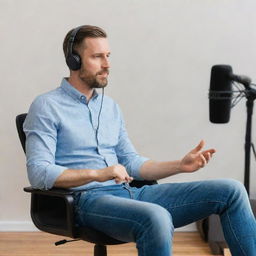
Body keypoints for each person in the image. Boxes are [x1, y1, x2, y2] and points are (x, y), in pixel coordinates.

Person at [23, 25, 256, 256]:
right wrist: (99, 173)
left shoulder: (110, 107)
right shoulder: (46, 106)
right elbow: (39, 172)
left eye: (108, 56)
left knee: (232, 191)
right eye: (97, 56)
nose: (107, 64)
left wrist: (179, 166)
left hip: (130, 193)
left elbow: (132, 162)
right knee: (156, 216)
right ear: (73, 60)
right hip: (86, 201)